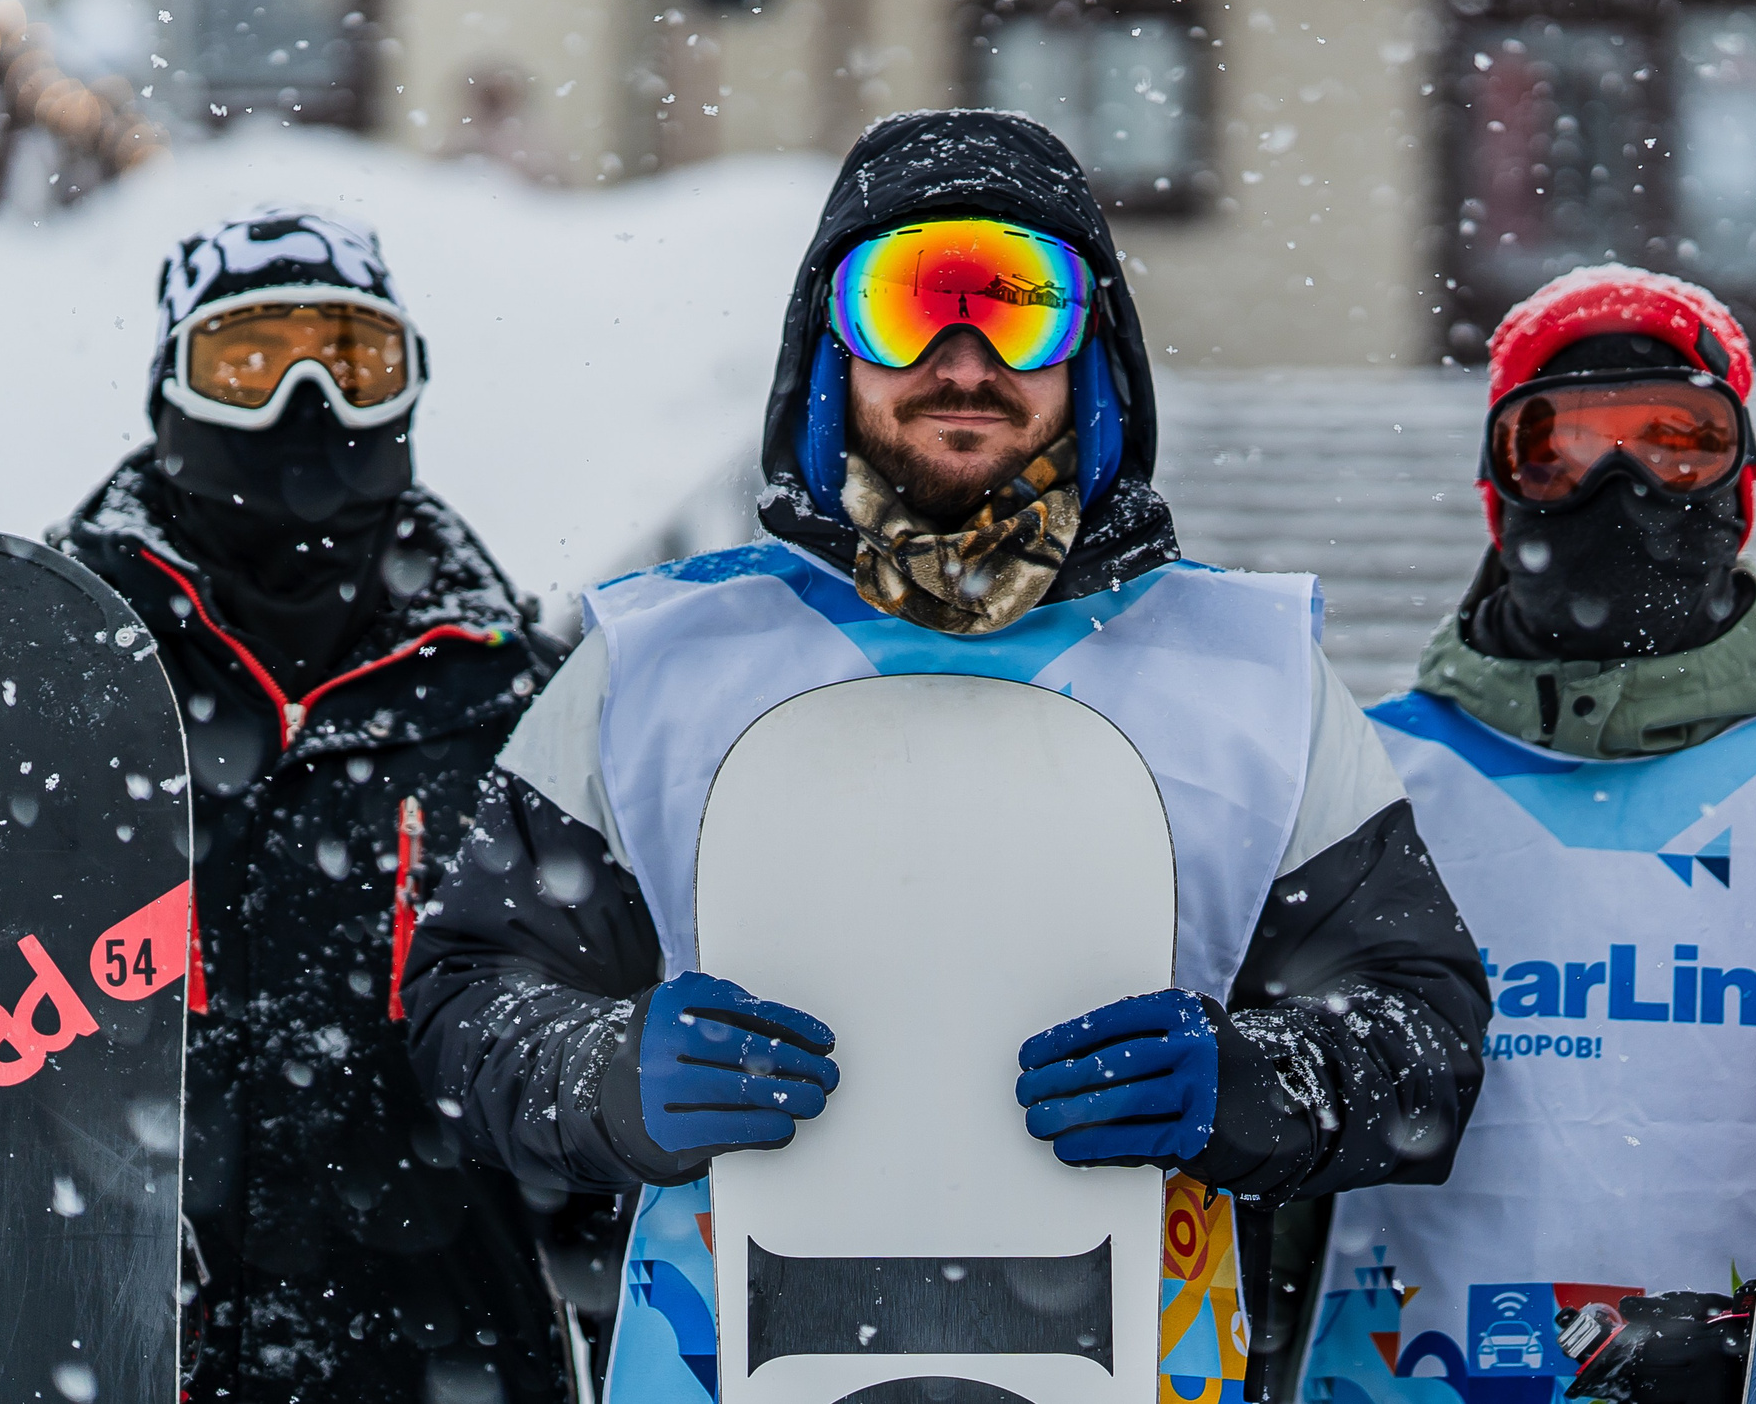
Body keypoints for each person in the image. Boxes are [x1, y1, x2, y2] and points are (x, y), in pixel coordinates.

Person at [401, 109, 1494, 1402]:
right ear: (833, 342)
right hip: (733, 1352)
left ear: (1091, 345)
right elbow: (463, 1001)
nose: (964, 359)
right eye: (910, 301)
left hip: (1133, 1348)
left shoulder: (1244, 671)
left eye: (1020, 307)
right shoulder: (658, 661)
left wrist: (1247, 1083)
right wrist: (610, 1072)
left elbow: (1423, 1027)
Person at [51, 208, 577, 1404]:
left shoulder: (516, 701)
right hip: (112, 1347)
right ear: (170, 393)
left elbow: (581, 1071)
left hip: (440, 1354)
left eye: (353, 360)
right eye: (246, 360)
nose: (307, 400)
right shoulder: (59, 675)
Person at [1296, 266, 1756, 1404]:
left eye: (1679, 439)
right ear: (1503, 492)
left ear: (1739, 485)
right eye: (1558, 447)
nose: (1625, 485)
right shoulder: (1357, 776)